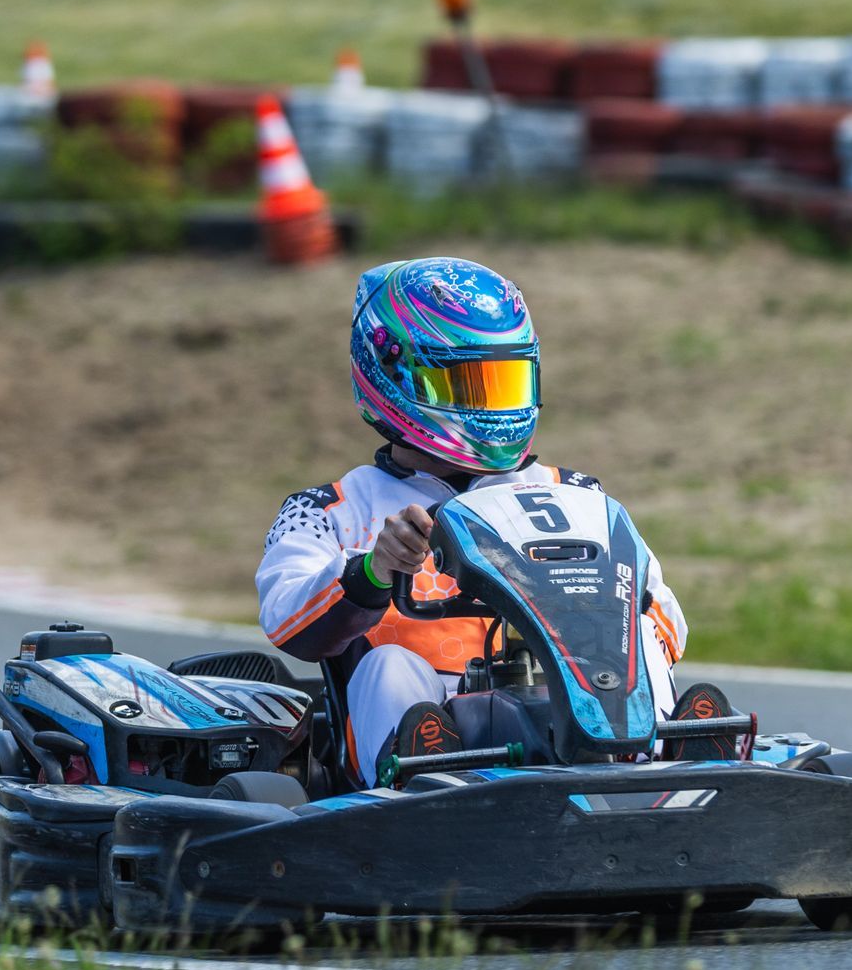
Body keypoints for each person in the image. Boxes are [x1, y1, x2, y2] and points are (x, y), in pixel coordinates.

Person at [254, 257, 723, 788]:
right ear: (392, 373)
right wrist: (373, 570)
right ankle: (424, 775)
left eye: (504, 383)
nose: (491, 409)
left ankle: (671, 757)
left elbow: (666, 619)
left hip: (566, 705)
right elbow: (289, 622)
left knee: (638, 634)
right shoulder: (330, 508)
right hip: (440, 728)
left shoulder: (575, 494)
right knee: (390, 664)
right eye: (467, 386)